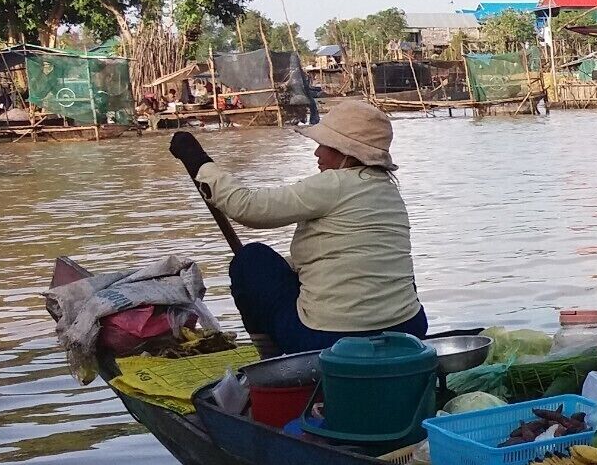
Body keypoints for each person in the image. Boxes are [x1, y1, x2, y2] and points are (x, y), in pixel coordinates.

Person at [168, 101, 427, 354]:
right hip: (409, 329)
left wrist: (199, 162)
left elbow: (248, 208)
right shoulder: (389, 191)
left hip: (328, 339)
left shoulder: (334, 184)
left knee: (252, 259)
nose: (317, 154)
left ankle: (274, 365)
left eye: (324, 146)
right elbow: (344, 256)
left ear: (347, 153)